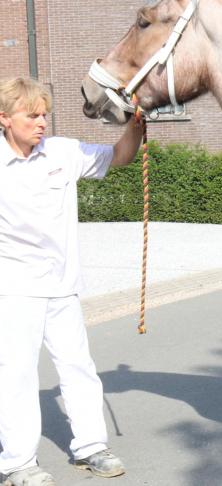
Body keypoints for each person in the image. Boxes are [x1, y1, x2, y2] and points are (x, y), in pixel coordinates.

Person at [0, 77, 143, 486]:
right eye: (32, 115)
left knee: (79, 367)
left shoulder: (63, 151)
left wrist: (135, 124)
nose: (42, 122)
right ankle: (17, 464)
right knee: (17, 375)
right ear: (5, 119)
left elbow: (119, 157)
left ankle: (91, 447)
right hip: (13, 288)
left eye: (45, 114)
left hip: (63, 285)